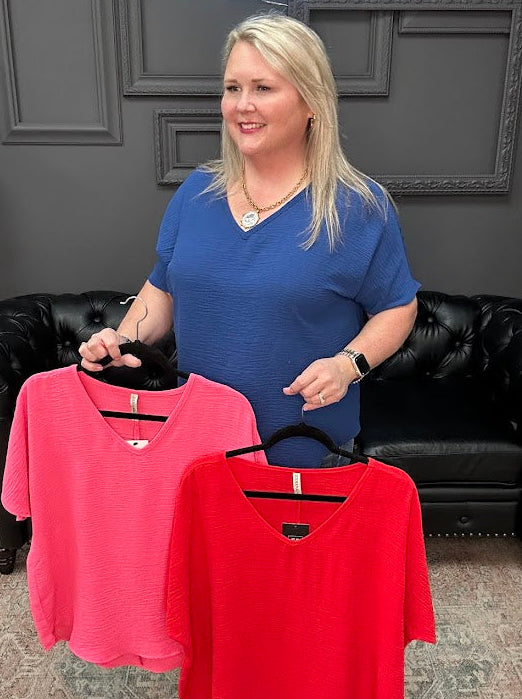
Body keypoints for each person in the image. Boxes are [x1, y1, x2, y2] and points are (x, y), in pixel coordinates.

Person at [79, 13, 419, 469]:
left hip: (305, 449)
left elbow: (398, 306)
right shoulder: (196, 193)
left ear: (311, 100)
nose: (242, 105)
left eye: (263, 88)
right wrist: (120, 344)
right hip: (198, 446)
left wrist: (347, 365)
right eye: (232, 88)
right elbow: (163, 289)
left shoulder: (357, 207)